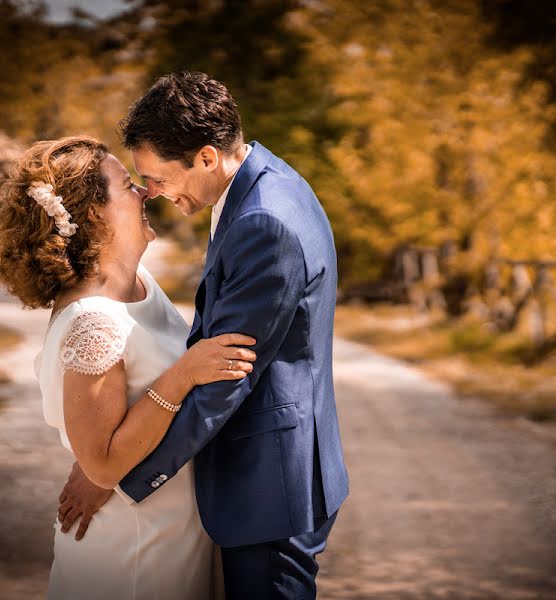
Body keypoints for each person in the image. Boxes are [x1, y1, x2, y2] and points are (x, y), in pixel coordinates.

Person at [58, 71, 350, 598]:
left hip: (268, 486)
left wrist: (116, 475)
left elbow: (226, 378)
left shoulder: (265, 224)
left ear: (208, 157)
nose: (152, 192)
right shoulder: (268, 179)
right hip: (273, 472)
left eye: (159, 177)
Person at [0, 135, 256, 599]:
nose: (146, 192)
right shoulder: (92, 321)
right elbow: (104, 463)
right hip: (132, 552)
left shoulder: (141, 285)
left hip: (175, 531)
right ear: (94, 212)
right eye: (128, 185)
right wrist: (184, 373)